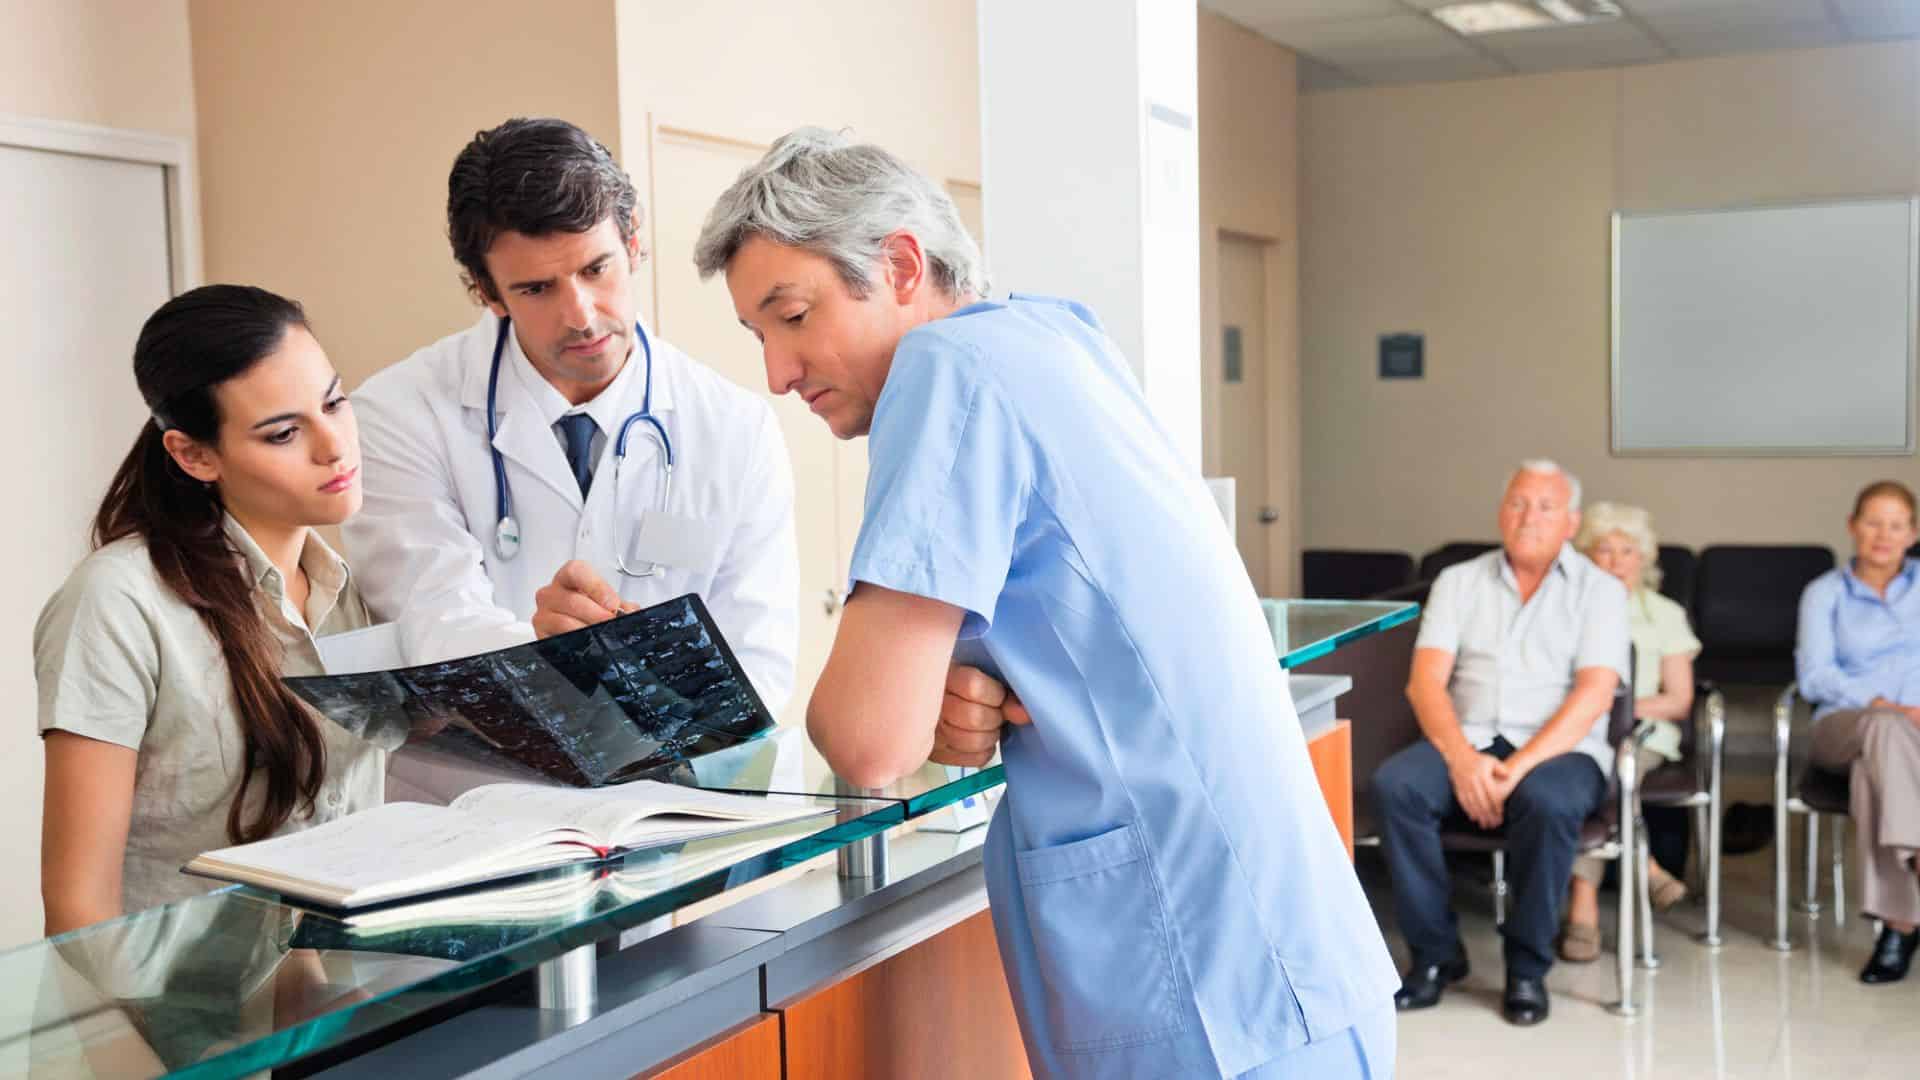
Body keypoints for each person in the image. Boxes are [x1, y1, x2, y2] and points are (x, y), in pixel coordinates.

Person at [685, 128, 1396, 1079]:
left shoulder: (944, 371)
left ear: (901, 264)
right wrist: (957, 681)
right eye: (758, 336)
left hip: (1212, 989)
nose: (777, 373)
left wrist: (913, 693)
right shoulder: (1056, 335)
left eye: (794, 316)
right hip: (1285, 957)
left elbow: (864, 740)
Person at [342, 117, 800, 707]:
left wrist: (636, 680)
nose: (580, 315)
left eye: (595, 269)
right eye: (536, 289)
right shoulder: (397, 415)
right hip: (473, 792)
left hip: (673, 791)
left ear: (634, 242)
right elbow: (431, 627)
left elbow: (757, 666)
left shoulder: (736, 429)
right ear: (486, 290)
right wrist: (547, 656)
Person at [35, 285, 394, 934]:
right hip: (183, 1021)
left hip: (353, 1001)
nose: (334, 447)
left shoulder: (363, 588)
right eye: (284, 433)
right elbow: (77, 904)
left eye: (335, 402)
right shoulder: (118, 603)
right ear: (193, 454)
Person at [1374, 460, 1628, 1025]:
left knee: (1549, 800)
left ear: (1570, 522)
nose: (1528, 516)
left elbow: (1594, 694)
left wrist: (1519, 768)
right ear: (1500, 512)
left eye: (1545, 506)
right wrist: (1463, 761)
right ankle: (1437, 956)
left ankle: (1527, 968)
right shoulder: (1458, 581)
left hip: (1562, 751)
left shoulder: (1601, 591)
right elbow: (1425, 683)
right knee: (1396, 787)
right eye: (1517, 503)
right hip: (1467, 738)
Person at [1559, 501, 1699, 962]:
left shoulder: (1665, 614)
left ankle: (1583, 910)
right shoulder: (1568, 611)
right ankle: (1647, 864)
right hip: (1579, 729)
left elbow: (1678, 698)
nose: (1617, 561)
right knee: (1589, 766)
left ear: (1644, 558)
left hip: (1643, 734)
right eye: (1604, 550)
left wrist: (1619, 708)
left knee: (1614, 769)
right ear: (1586, 557)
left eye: (1627, 550)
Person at [1796, 479, 1920, 984]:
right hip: (1843, 724)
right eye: (1872, 522)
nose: (1883, 535)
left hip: (1910, 734)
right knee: (1882, 732)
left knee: (1876, 770)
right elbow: (1815, 675)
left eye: (1895, 525)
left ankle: (1899, 923)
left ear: (1913, 534)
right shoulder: (1823, 593)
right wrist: (1879, 704)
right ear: (1852, 527)